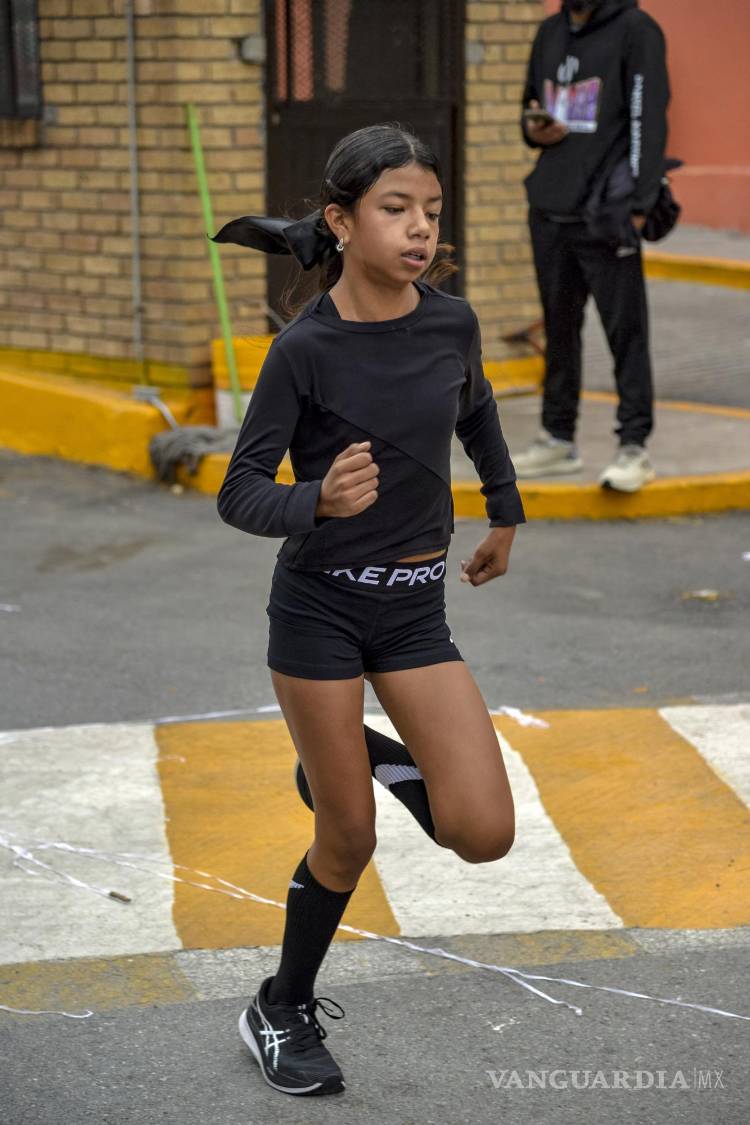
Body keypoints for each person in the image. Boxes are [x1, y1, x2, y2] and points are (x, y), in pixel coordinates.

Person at [212, 123, 526, 1097]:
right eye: (397, 210)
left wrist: (505, 513)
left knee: (484, 831)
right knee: (348, 835)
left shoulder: (451, 323)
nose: (420, 228)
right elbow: (239, 490)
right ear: (343, 222)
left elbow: (474, 410)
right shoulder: (302, 352)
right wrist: (316, 501)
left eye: (431, 211)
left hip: (415, 612)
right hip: (319, 618)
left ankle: (367, 758)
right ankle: (281, 1005)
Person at [516, 0, 670, 492]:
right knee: (560, 330)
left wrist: (641, 201)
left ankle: (634, 448)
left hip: (608, 212)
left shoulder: (636, 30)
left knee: (626, 332)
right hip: (550, 208)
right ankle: (558, 439)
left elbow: (649, 116)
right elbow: (529, 106)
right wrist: (533, 127)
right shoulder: (549, 32)